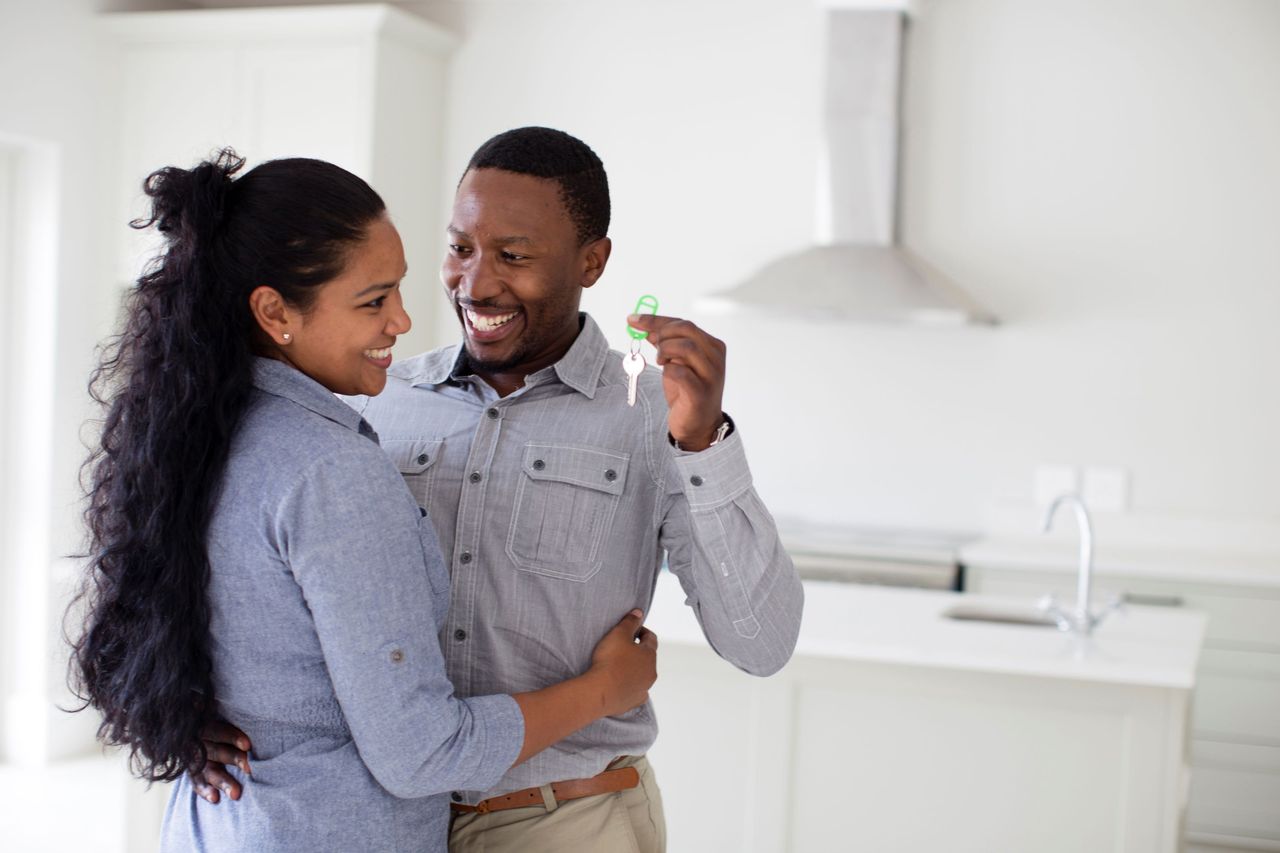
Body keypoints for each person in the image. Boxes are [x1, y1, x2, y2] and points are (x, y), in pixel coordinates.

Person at [197, 127, 805, 852]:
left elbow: (761, 643)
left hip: (565, 819)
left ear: (592, 261)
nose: (476, 283)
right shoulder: (375, 397)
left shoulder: (652, 413)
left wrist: (701, 443)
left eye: (514, 256)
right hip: (387, 823)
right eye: (460, 248)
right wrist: (197, 702)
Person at [69, 149, 658, 853]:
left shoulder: (193, 437)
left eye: (401, 290)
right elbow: (421, 753)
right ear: (274, 312)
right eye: (373, 300)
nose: (403, 322)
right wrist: (603, 688)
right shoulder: (331, 471)